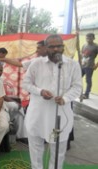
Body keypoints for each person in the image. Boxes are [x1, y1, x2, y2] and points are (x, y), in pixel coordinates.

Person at [22, 34, 82, 169]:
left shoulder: (73, 65)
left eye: (58, 46)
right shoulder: (36, 64)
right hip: (38, 115)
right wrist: (40, 91)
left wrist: (65, 98)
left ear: (63, 47)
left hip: (60, 116)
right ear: (46, 48)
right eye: (51, 46)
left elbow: (77, 87)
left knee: (58, 151)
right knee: (36, 147)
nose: (55, 49)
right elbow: (26, 84)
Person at [81, 33, 98, 99]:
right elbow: (81, 54)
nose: (88, 39)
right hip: (82, 66)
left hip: (90, 66)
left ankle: (86, 94)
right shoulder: (84, 45)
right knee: (76, 78)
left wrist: (96, 65)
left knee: (88, 80)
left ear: (93, 38)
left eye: (90, 38)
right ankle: (78, 92)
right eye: (87, 38)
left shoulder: (96, 46)